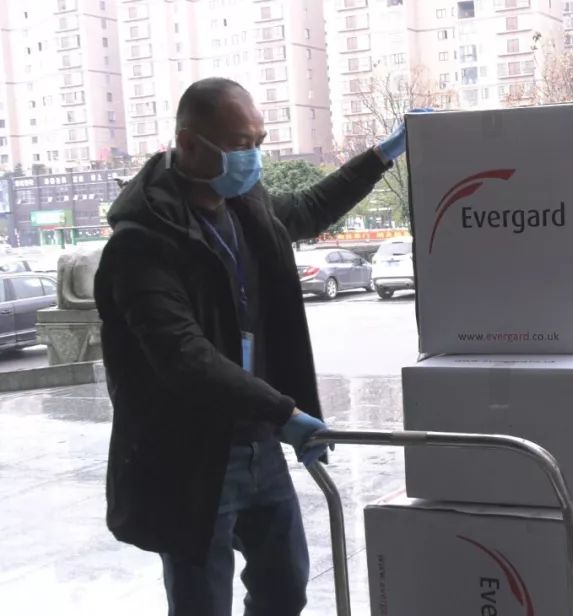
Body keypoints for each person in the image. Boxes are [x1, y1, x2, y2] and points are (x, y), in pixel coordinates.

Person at [94, 77, 420, 615]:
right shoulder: (142, 245)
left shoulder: (247, 207)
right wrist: (284, 412)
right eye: (240, 144)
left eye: (259, 142)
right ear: (189, 144)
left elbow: (311, 208)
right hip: (192, 455)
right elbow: (182, 354)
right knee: (202, 603)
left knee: (284, 588)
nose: (254, 157)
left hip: (258, 442)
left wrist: (382, 156)